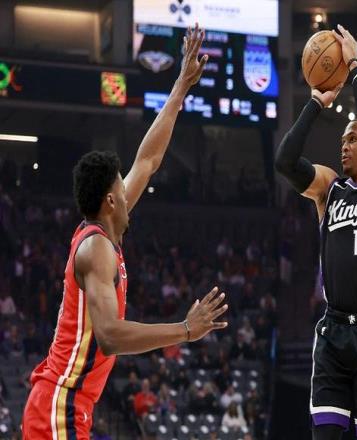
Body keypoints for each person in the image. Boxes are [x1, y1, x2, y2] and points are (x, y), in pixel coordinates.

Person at [22, 24, 229, 439]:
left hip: (68, 405)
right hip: (61, 404)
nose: (130, 185)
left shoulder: (103, 229)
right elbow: (110, 336)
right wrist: (185, 330)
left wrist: (180, 88)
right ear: (110, 201)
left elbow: (148, 160)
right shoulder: (96, 249)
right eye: (121, 184)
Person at [275, 25, 357, 440]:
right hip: (333, 331)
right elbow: (285, 161)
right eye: (342, 140)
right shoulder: (327, 188)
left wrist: (353, 67)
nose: (344, 146)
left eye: (352, 139)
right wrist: (316, 102)